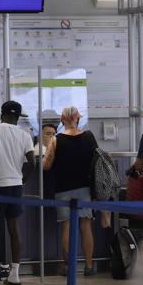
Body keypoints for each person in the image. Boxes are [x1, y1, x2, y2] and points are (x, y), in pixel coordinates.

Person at [0, 100, 35, 285]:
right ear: (17, 117)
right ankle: (15, 274)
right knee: (14, 229)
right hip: (15, 186)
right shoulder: (24, 135)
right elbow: (32, 163)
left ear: (2, 114)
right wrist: (21, 179)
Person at [42, 106, 97, 276]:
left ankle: (69, 266)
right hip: (85, 187)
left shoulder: (56, 140)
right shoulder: (89, 137)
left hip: (63, 188)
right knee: (85, 226)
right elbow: (97, 160)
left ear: (62, 120)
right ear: (78, 119)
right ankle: (88, 266)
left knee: (66, 227)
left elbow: (46, 165)